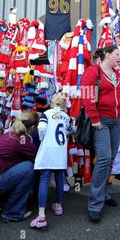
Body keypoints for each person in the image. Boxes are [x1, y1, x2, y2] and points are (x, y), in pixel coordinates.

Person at [81, 45, 120, 223]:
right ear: (106, 55)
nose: (119, 57)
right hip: (101, 121)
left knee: (111, 158)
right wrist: (94, 117)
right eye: (116, 54)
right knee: (104, 158)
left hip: (117, 120)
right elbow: (87, 95)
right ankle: (95, 204)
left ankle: (104, 194)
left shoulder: (117, 74)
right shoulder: (93, 71)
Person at [30, 93, 73, 229]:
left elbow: (41, 129)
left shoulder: (46, 114)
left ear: (52, 102)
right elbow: (72, 130)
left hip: (48, 149)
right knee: (60, 177)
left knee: (44, 178)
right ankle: (58, 206)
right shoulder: (66, 117)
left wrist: (43, 138)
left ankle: (41, 214)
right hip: (60, 151)